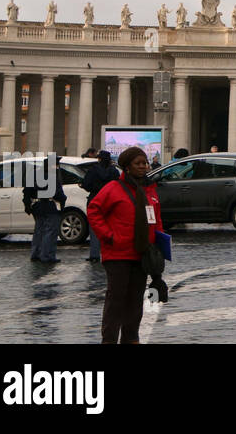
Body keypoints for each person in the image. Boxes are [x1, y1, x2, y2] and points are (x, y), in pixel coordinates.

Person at [85, 147, 165, 344]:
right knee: (116, 301)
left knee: (135, 301)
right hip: (118, 253)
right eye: (138, 163)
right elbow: (94, 211)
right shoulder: (113, 188)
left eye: (145, 163)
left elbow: (157, 221)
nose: (143, 167)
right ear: (127, 167)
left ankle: (131, 339)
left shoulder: (150, 190)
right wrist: (108, 236)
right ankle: (109, 340)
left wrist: (159, 247)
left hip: (142, 254)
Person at [24, 159, 67, 263]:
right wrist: (63, 199)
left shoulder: (34, 174)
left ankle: (36, 254)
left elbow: (26, 192)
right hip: (50, 206)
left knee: (39, 231)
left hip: (37, 206)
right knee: (50, 232)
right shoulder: (52, 176)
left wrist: (28, 206)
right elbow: (58, 194)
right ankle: (47, 255)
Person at [81, 151, 120, 261]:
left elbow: (86, 184)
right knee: (111, 227)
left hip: (95, 199)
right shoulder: (114, 171)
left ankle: (94, 255)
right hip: (110, 201)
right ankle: (110, 253)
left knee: (94, 228)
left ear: (99, 159)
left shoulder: (93, 170)